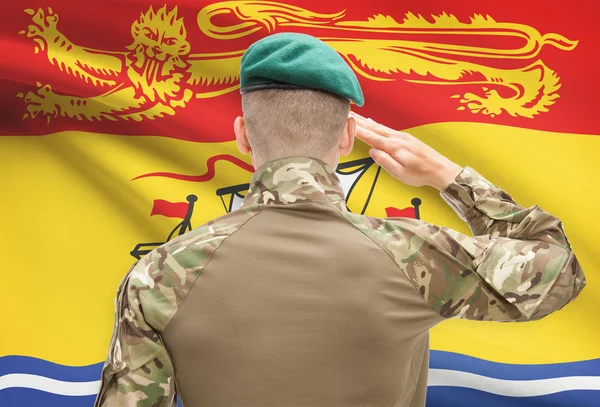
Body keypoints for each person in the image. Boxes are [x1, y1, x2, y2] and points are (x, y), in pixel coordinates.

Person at [94, 33, 586, 407]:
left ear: (243, 135)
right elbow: (558, 269)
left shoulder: (158, 275)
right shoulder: (414, 256)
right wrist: (448, 176)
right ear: (348, 136)